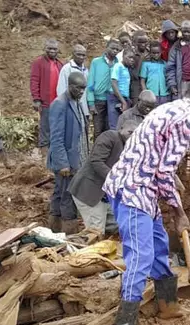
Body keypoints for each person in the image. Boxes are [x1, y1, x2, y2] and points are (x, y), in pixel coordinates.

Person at [102, 78, 190, 325]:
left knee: (159, 246)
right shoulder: (189, 120)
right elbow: (163, 171)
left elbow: (156, 156)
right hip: (134, 190)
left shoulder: (169, 108)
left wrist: (171, 177)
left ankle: (168, 304)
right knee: (140, 257)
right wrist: (179, 213)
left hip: (140, 186)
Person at [69, 120, 139, 236]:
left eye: (135, 134)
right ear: (121, 129)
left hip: (105, 196)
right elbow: (96, 161)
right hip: (89, 193)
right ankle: (80, 251)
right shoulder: (110, 136)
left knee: (121, 223)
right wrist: (115, 179)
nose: (131, 135)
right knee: (96, 232)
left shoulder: (131, 148)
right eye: (129, 132)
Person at [47, 72, 88, 235]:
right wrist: (63, 163)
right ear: (70, 86)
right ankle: (70, 231)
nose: (82, 92)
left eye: (84, 89)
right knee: (68, 195)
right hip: (65, 160)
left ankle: (55, 228)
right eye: (79, 88)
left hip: (74, 158)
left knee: (59, 192)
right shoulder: (60, 104)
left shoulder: (75, 101)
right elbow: (56, 137)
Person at [30, 39, 63, 155]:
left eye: (54, 49)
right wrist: (36, 98)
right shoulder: (38, 62)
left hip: (58, 102)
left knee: (56, 126)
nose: (52, 51)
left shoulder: (60, 64)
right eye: (49, 48)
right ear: (45, 48)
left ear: (58, 50)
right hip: (45, 101)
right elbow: (34, 80)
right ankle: (44, 152)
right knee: (45, 126)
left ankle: (53, 151)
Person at [88, 40, 121, 140]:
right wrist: (91, 102)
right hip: (99, 100)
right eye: (112, 48)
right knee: (98, 129)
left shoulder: (118, 64)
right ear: (106, 47)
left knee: (110, 129)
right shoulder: (96, 62)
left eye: (117, 49)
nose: (115, 51)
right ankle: (96, 154)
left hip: (112, 100)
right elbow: (90, 83)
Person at [57, 45, 89, 118]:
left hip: (83, 107)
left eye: (83, 55)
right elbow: (61, 89)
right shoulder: (67, 69)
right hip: (70, 107)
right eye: (78, 54)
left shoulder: (86, 70)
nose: (81, 57)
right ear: (73, 54)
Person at [108, 48, 135, 130]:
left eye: (133, 58)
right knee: (114, 125)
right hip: (115, 98)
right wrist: (123, 101)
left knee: (122, 125)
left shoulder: (126, 68)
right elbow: (113, 83)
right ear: (123, 56)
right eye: (129, 57)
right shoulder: (118, 66)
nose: (132, 60)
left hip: (123, 98)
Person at [129, 31, 150, 104]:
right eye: (140, 42)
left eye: (145, 42)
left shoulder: (150, 53)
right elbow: (135, 75)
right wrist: (142, 60)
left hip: (149, 86)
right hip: (136, 89)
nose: (143, 44)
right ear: (135, 42)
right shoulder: (131, 55)